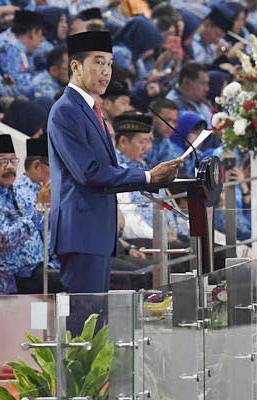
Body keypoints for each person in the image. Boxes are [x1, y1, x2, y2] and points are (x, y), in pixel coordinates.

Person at [47, 30, 181, 295]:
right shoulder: (66, 110)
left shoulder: (90, 109)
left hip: (97, 232)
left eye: (109, 63)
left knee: (96, 320)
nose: (106, 71)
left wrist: (152, 180)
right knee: (84, 319)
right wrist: (147, 177)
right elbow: (89, 173)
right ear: (75, 65)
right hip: (81, 232)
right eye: (98, 62)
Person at [0, 134, 63, 295]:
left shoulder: (12, 191)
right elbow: (5, 239)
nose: (9, 167)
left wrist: (47, 207)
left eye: (13, 161)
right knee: (81, 282)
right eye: (2, 161)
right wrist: (39, 208)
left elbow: (41, 227)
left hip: (36, 267)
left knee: (94, 272)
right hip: (10, 275)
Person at [0, 10, 45, 95]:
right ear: (33, 32)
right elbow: (13, 83)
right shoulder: (11, 48)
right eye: (40, 35)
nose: (41, 40)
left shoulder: (12, 42)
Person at [166, 61, 213, 128]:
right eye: (203, 83)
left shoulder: (199, 102)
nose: (207, 89)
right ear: (187, 83)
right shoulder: (172, 107)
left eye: (207, 83)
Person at [145, 98, 182, 168]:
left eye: (174, 122)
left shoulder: (167, 145)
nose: (171, 126)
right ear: (152, 117)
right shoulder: (137, 138)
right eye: (166, 120)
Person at [15, 137, 50, 207]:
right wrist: (41, 205)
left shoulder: (40, 188)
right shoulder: (21, 194)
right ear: (36, 166)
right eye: (53, 168)